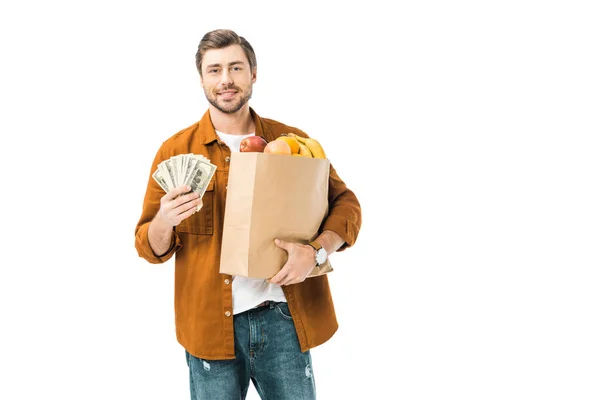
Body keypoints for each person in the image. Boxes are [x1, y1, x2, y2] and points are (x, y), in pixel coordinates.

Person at [134, 28, 362, 400]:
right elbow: (148, 246)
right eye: (214, 70)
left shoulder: (293, 142)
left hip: (284, 320)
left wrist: (317, 252)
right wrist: (164, 218)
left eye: (236, 68)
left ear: (253, 73)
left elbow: (347, 204)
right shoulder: (174, 151)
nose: (226, 79)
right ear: (202, 79)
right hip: (208, 328)